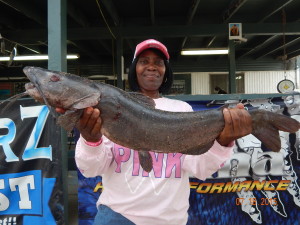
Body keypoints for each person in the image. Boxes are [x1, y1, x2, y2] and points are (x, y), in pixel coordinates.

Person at [57, 39, 252, 225]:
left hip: (169, 220)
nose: (151, 67)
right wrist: (91, 140)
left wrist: (223, 142)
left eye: (158, 62)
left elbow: (199, 168)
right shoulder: (109, 106)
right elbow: (90, 169)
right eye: (144, 62)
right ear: (134, 69)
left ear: (166, 71)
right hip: (116, 216)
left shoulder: (181, 109)